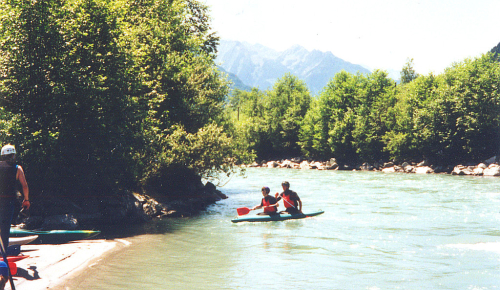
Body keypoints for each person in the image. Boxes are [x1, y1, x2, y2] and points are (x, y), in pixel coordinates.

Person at [0, 145, 29, 250]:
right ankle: (4, 251)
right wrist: (26, 199)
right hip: (8, 201)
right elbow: (24, 185)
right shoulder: (18, 168)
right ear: (13, 156)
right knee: (5, 226)